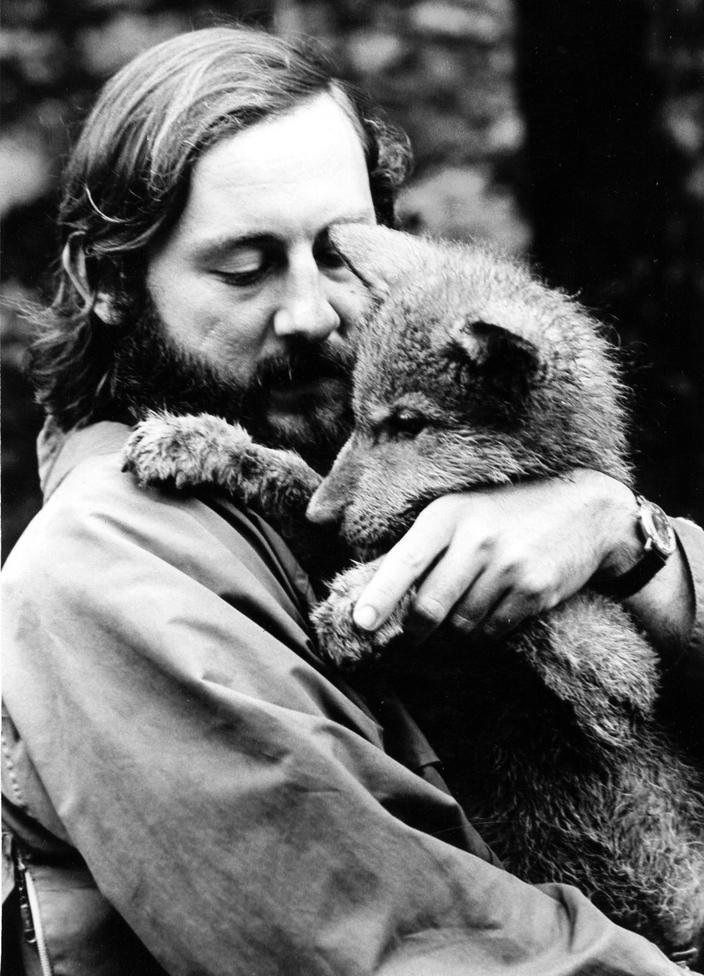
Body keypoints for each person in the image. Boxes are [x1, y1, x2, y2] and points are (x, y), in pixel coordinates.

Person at [2, 24, 702, 976]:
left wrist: (632, 543)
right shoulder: (106, 573)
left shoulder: (440, 456)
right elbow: (409, 949)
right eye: (243, 268)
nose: (312, 314)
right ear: (109, 282)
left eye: (336, 256)